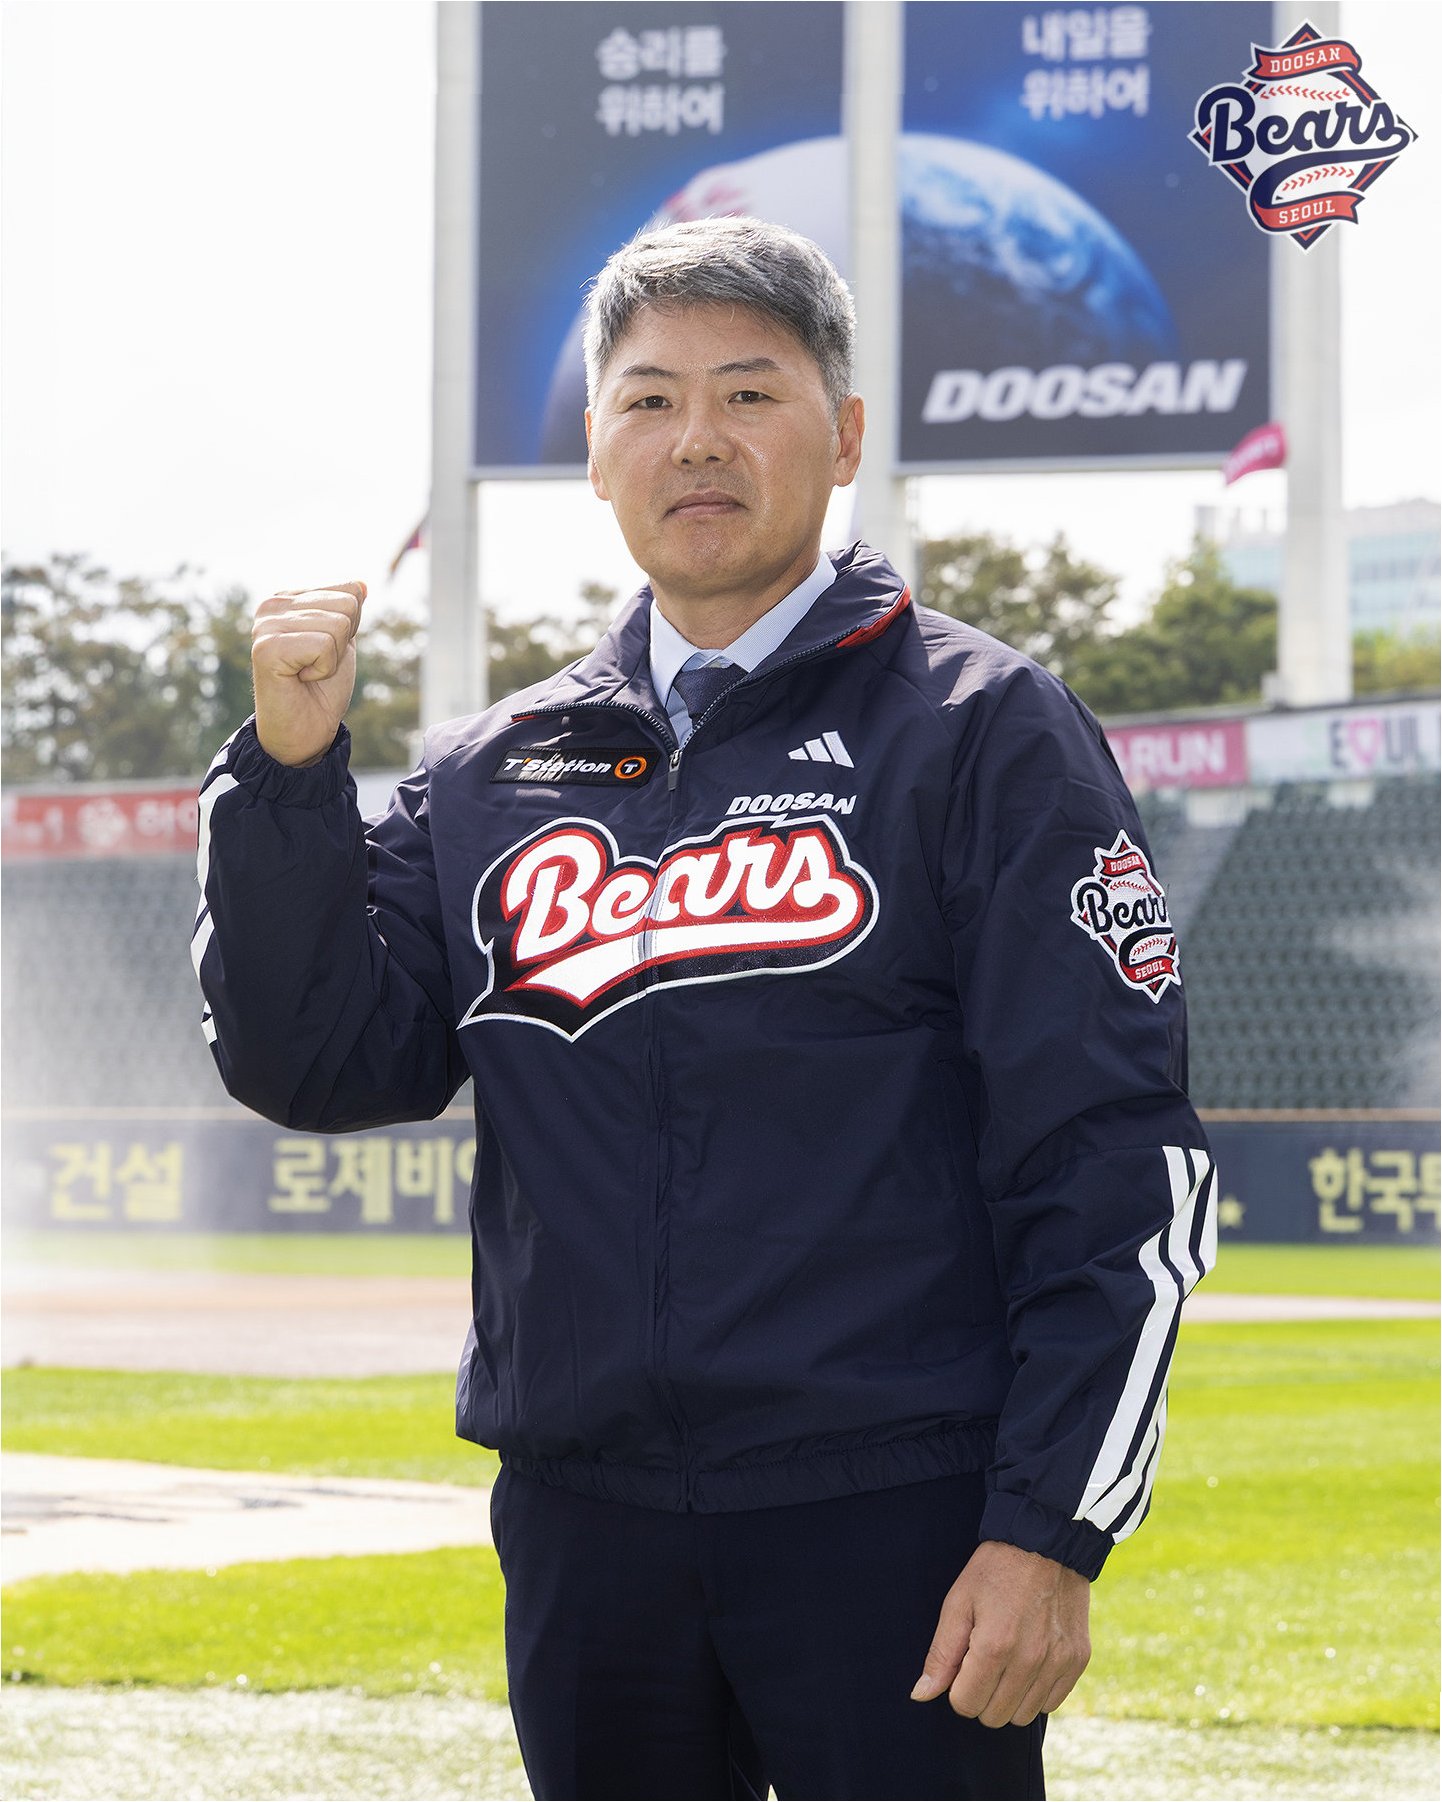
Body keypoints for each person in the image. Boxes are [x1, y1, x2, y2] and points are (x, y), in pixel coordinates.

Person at [194, 217, 1216, 1801]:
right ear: (594, 450)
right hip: (585, 1521)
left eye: (749, 393)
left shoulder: (982, 729)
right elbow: (317, 1059)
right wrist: (286, 775)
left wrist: (1048, 1526)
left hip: (895, 1512)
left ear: (844, 435)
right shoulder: (490, 772)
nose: (697, 440)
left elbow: (1112, 1155)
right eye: (651, 400)